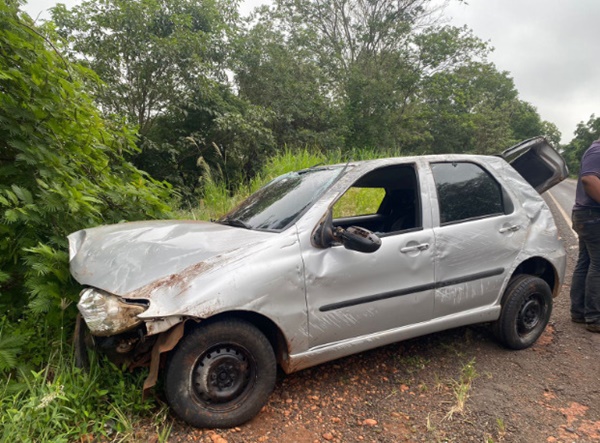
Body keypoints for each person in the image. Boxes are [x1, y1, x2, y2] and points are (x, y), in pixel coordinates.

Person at [570, 138, 600, 332]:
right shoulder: (597, 151)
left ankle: (579, 312)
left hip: (585, 216)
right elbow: (589, 179)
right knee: (598, 265)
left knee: (586, 262)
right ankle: (595, 318)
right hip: (593, 217)